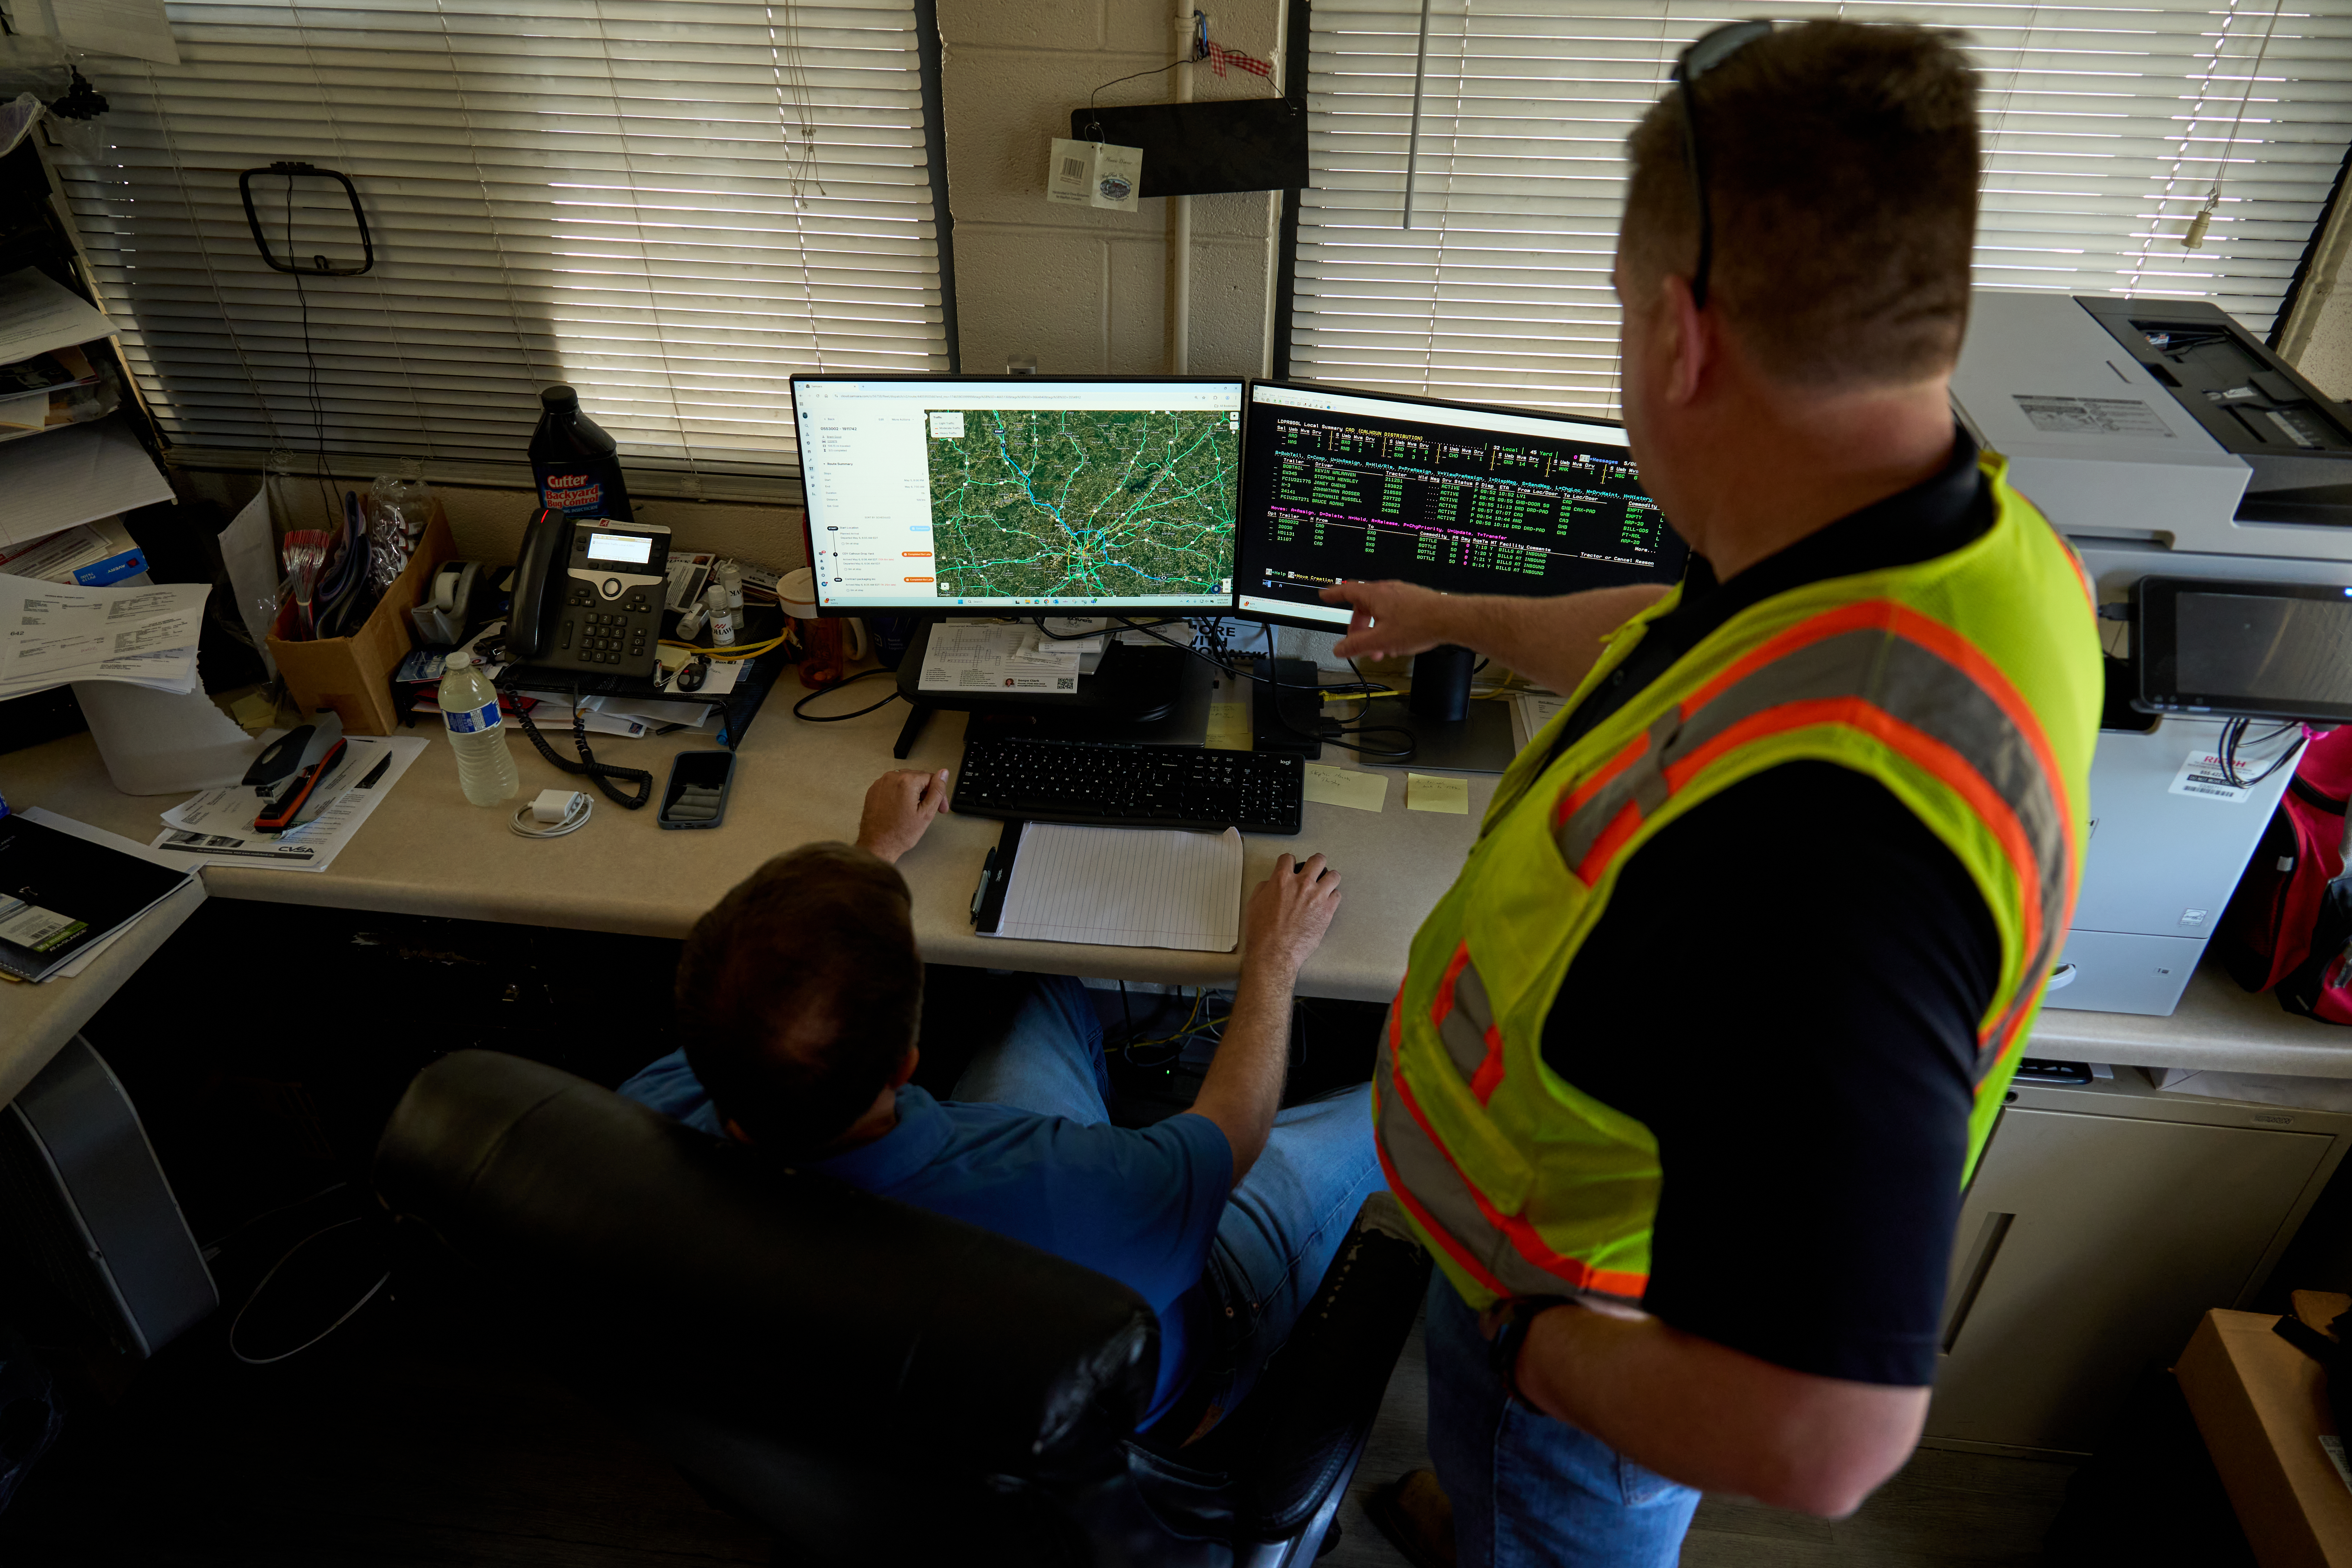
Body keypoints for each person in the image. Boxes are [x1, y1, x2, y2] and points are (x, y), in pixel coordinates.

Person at [1330, 21, 2103, 1567]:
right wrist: (1452, 615)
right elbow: (1669, 632)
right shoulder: (1925, 538)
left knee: (1542, 1526)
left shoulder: (1829, 851)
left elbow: (1823, 1437)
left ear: (1680, 332)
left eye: (1619, 316)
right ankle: (1452, 1495)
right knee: (1482, 1488)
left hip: (1597, 1344)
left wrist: (1524, 1330)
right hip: (1547, 1261)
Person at [617, 766, 1385, 1437]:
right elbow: (1232, 1136)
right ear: (907, 1066)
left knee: (1044, 987)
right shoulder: (1076, 1192)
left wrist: (872, 857)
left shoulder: (648, 1110)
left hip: (866, 1394)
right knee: (1398, 1096)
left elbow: (779, 1003)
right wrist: (1276, 960)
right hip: (1168, 1352)